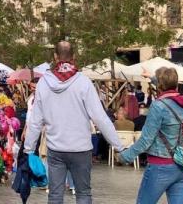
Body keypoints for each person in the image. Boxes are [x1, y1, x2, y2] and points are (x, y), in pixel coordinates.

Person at [24, 42, 124, 204]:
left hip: (56, 149)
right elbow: (100, 118)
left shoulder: (43, 83)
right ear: (74, 57)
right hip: (81, 149)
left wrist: (28, 149)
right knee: (83, 193)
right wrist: (118, 146)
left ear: (55, 57)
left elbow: (35, 121)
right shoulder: (83, 82)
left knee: (55, 195)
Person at [118, 67, 183, 204]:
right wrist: (152, 77)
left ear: (159, 85)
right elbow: (169, 89)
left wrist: (125, 156)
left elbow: (146, 140)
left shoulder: (158, 106)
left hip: (161, 165)